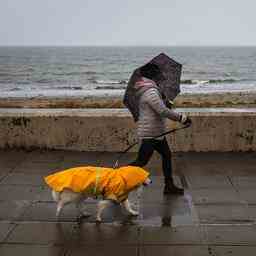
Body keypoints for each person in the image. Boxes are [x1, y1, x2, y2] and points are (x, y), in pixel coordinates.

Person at [129, 63, 191, 195]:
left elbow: (159, 107)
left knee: (166, 156)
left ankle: (169, 186)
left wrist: (165, 102)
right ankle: (115, 177)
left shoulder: (149, 89)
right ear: (152, 75)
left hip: (156, 132)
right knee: (141, 161)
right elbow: (162, 111)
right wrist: (182, 118)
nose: (160, 76)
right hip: (151, 133)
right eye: (158, 73)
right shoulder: (150, 91)